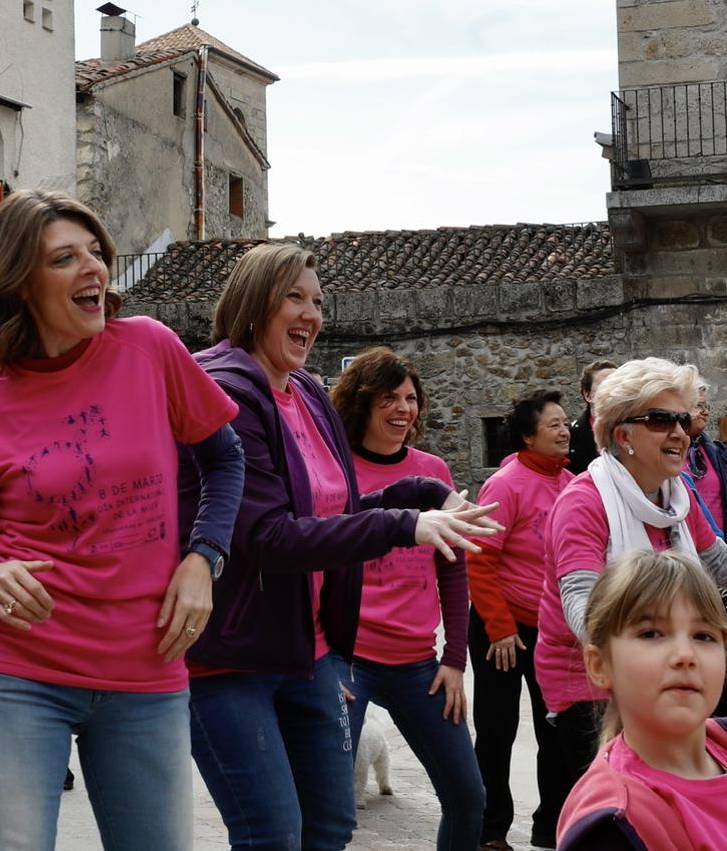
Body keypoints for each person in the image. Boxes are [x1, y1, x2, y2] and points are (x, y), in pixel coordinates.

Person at [0, 190, 246, 851]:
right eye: (65, 259)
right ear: (20, 284)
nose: (93, 269)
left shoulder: (150, 350)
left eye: (96, 252)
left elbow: (226, 460)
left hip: (145, 671)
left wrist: (203, 557)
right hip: (13, 677)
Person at [180, 242, 502, 851]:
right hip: (233, 657)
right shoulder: (226, 390)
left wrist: (423, 496)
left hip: (315, 652)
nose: (311, 314)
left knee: (330, 826)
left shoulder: (304, 393)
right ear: (253, 303)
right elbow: (267, 537)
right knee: (273, 834)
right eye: (294, 298)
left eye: (318, 301)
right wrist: (405, 525)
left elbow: (342, 510)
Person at [535, 357, 727, 787]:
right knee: (623, 805)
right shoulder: (583, 502)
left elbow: (717, 564)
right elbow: (583, 609)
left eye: (682, 418)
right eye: (661, 420)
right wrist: (646, 657)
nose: (679, 431)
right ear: (623, 435)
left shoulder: (675, 498)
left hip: (664, 670)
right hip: (591, 686)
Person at [328, 347, 484, 851]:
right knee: (329, 803)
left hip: (419, 662)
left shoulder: (433, 470)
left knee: (468, 796)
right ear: (361, 402)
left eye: (411, 398)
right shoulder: (335, 468)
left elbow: (453, 567)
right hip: (350, 662)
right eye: (390, 397)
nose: (404, 408)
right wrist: (327, 661)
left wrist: (455, 658)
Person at [557, 550, 727, 849]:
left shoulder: (722, 738)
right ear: (599, 665)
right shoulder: (613, 827)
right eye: (651, 634)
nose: (685, 656)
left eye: (704, 636)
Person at [470, 390, 575, 851]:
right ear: (527, 435)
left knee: (558, 728)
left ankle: (551, 824)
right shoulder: (505, 484)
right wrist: (500, 627)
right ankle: (491, 830)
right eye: (553, 424)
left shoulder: (573, 482)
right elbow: (480, 559)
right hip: (502, 629)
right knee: (496, 731)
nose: (564, 429)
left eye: (566, 422)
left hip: (551, 629)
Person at [682, 383, 725, 540]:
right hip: (687, 547)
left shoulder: (714, 452)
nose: (706, 412)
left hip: (719, 548)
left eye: (707, 406)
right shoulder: (665, 452)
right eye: (699, 406)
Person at [567, 360, 617, 474]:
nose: (614, 391)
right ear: (587, 395)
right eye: (605, 385)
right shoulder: (570, 437)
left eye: (618, 385)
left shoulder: (639, 428)